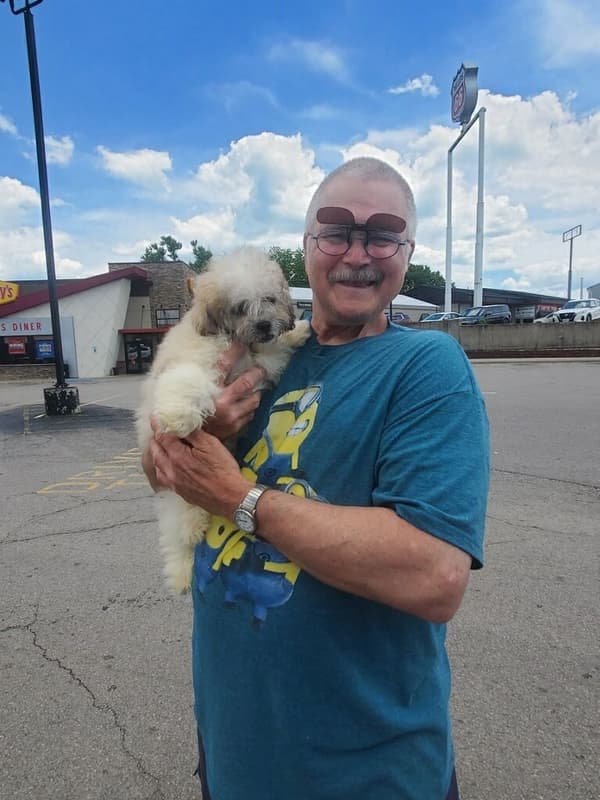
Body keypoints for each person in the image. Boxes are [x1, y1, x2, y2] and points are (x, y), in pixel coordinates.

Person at [143, 157, 490, 800]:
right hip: (235, 750)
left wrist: (235, 497)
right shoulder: (267, 349)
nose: (358, 252)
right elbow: (158, 468)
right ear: (306, 249)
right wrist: (194, 435)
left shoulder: (427, 366)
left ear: (405, 254)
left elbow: (434, 576)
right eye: (336, 230)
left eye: (382, 234)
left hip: (362, 771)